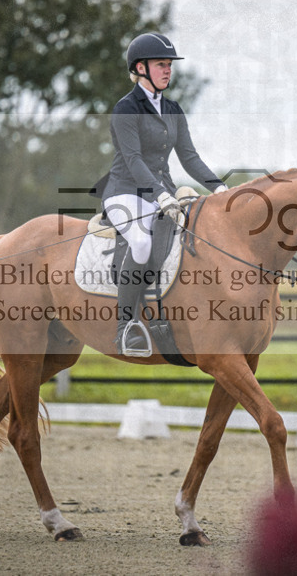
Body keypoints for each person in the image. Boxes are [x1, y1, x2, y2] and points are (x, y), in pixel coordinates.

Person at [95, 33, 227, 355]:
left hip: (160, 192)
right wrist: (160, 195)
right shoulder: (126, 109)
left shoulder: (172, 109)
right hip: (125, 192)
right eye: (160, 64)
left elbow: (189, 157)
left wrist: (220, 188)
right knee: (141, 242)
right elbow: (134, 160)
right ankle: (125, 327)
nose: (168, 70)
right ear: (140, 68)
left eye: (169, 65)